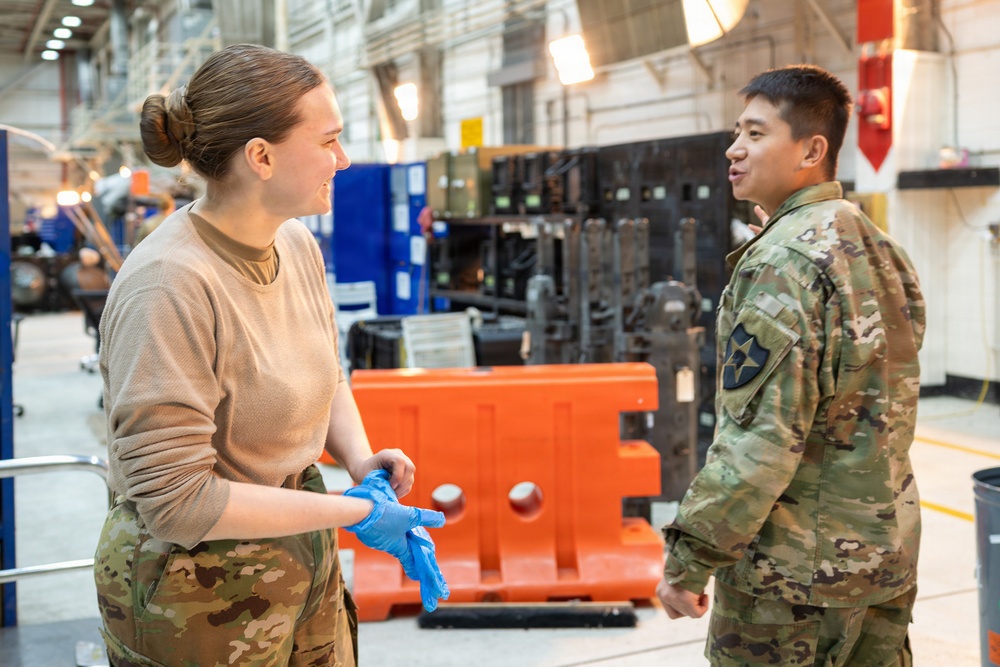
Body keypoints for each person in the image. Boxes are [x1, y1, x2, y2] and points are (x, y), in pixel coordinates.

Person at [94, 44, 446, 667]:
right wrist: (356, 512)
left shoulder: (297, 242)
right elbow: (179, 502)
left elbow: (323, 366)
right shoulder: (170, 285)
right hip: (192, 590)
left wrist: (361, 462)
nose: (342, 160)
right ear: (261, 156)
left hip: (298, 550)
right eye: (329, 141)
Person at [656, 65, 925, 665]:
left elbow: (761, 442)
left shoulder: (781, 261)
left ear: (811, 149)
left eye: (755, 133)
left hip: (792, 579)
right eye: (736, 132)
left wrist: (690, 561)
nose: (734, 148)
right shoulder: (877, 246)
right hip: (883, 556)